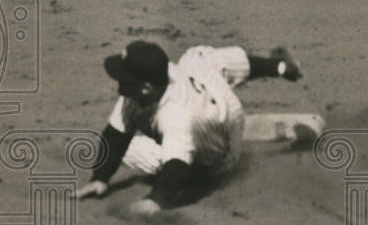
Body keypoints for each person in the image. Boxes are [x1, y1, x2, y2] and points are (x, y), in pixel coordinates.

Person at [75, 40, 302, 215]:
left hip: (219, 156)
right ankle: (280, 67)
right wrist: (100, 178)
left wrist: (155, 200)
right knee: (199, 56)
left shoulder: (176, 116)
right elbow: (116, 134)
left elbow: (176, 165)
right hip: (219, 101)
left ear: (146, 87)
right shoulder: (161, 75)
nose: (119, 81)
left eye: (125, 78)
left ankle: (209, 156)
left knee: (136, 149)